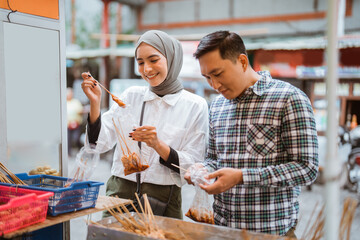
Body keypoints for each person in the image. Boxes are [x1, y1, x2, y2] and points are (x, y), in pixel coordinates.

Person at [185, 31, 319, 237]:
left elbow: (306, 168)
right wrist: (202, 171)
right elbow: (213, 159)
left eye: (218, 74)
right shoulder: (217, 107)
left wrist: (242, 177)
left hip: (271, 233)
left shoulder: (289, 99)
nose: (214, 85)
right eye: (207, 77)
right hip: (222, 229)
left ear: (242, 61)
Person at [81, 30, 209, 219]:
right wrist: (95, 103)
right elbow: (98, 143)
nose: (146, 69)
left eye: (154, 60)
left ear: (171, 58)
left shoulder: (194, 105)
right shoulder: (131, 96)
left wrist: (158, 144)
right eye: (140, 62)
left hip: (164, 197)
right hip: (119, 191)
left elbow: (193, 164)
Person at [67, 87, 84, 156]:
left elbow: (80, 110)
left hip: (76, 123)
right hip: (67, 124)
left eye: (70, 93)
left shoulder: (76, 102)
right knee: (67, 139)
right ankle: (68, 153)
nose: (69, 95)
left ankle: (80, 149)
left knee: (76, 138)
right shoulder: (64, 102)